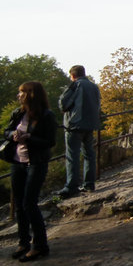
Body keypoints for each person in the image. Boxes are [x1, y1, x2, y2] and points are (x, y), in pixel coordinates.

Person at [4, 81, 57, 262]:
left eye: (21, 92)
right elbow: (6, 131)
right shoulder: (18, 113)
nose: (18, 95)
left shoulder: (47, 116)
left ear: (31, 94)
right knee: (19, 204)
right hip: (17, 163)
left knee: (29, 203)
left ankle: (40, 245)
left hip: (36, 163)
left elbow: (50, 142)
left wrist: (30, 138)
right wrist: (13, 135)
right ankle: (23, 242)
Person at [56, 65, 101, 198]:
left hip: (75, 125)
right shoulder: (94, 87)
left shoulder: (75, 85)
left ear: (73, 75)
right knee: (89, 154)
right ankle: (89, 183)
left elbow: (63, 104)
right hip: (90, 124)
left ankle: (71, 186)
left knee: (72, 156)